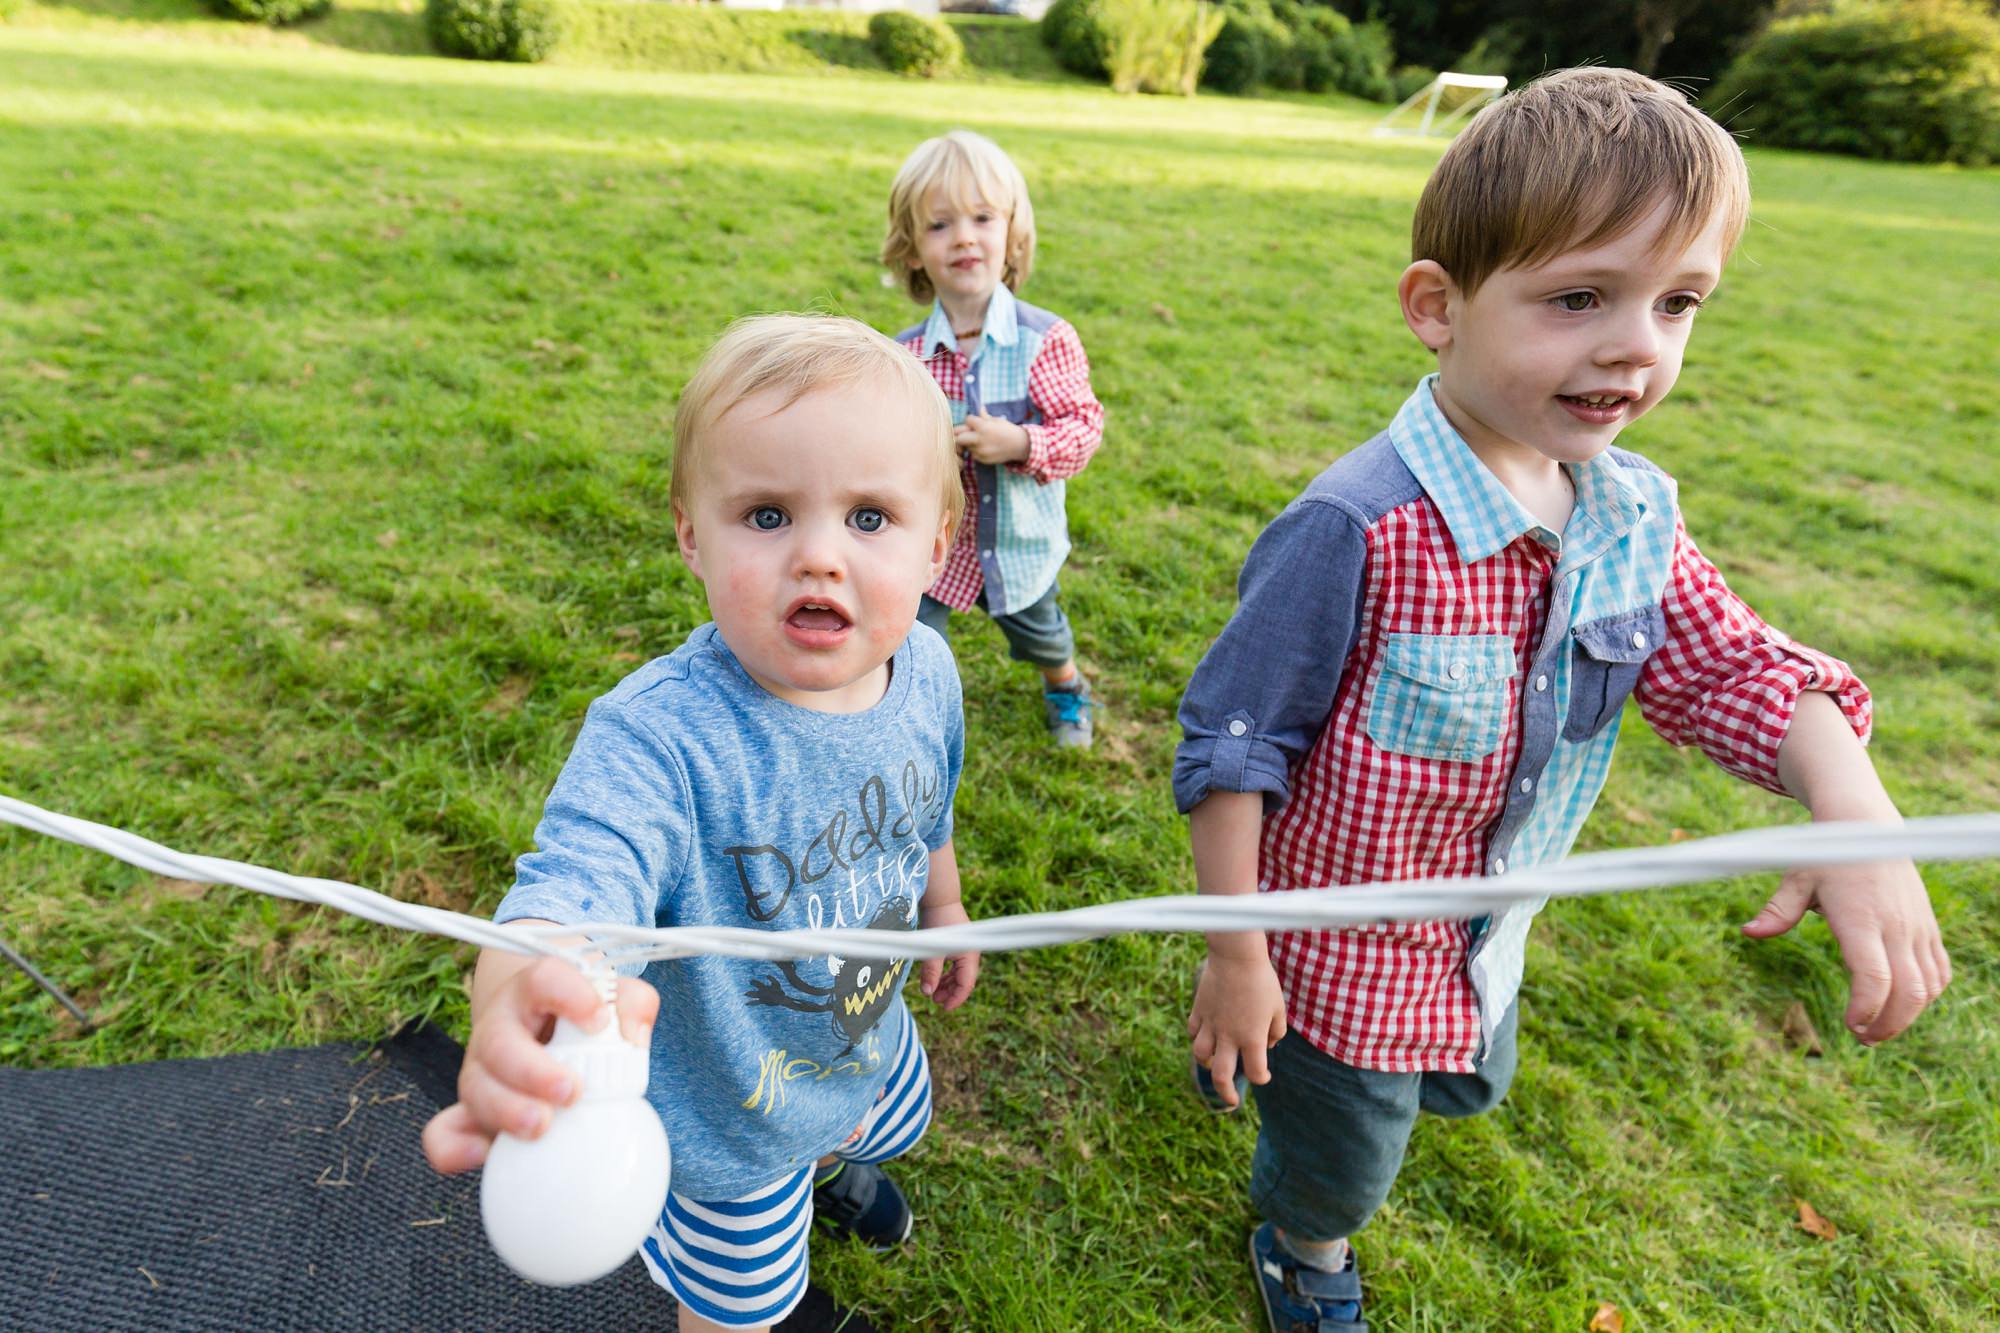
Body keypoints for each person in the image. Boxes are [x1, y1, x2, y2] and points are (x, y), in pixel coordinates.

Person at [1171, 68, 1951, 1333]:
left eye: (1677, 302)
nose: (1635, 343)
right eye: (1578, 297)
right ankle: (1301, 1240)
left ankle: (1291, 1090)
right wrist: (1234, 951)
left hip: (1487, 942)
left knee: (1461, 1087)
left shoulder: (1628, 510)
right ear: (1437, 306)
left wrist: (1846, 801)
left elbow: (1728, 665)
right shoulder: (1352, 531)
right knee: (1345, 1159)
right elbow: (1233, 750)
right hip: (1333, 961)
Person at [421, 314, 982, 1333]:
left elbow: (925, 804)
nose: (818, 556)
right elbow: (574, 888)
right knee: (736, 1313)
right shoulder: (660, 739)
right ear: (690, 532)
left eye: (868, 518)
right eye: (766, 515)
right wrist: (525, 988)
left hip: (858, 1028)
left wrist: (940, 901)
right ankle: (784, 1198)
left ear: (937, 543)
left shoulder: (929, 671)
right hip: (730, 1113)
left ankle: (827, 1171)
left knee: (864, 1122)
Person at [882, 129, 1108, 748]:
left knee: (1040, 632)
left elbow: (1083, 431)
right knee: (910, 629)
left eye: (983, 218)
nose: (963, 237)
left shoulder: (1045, 340)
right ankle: (905, 715)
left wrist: (1021, 444)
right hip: (935, 544)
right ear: (911, 249)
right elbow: (881, 446)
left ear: (1011, 234)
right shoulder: (904, 355)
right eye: (939, 224)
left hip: (1018, 542)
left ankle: (1065, 684)